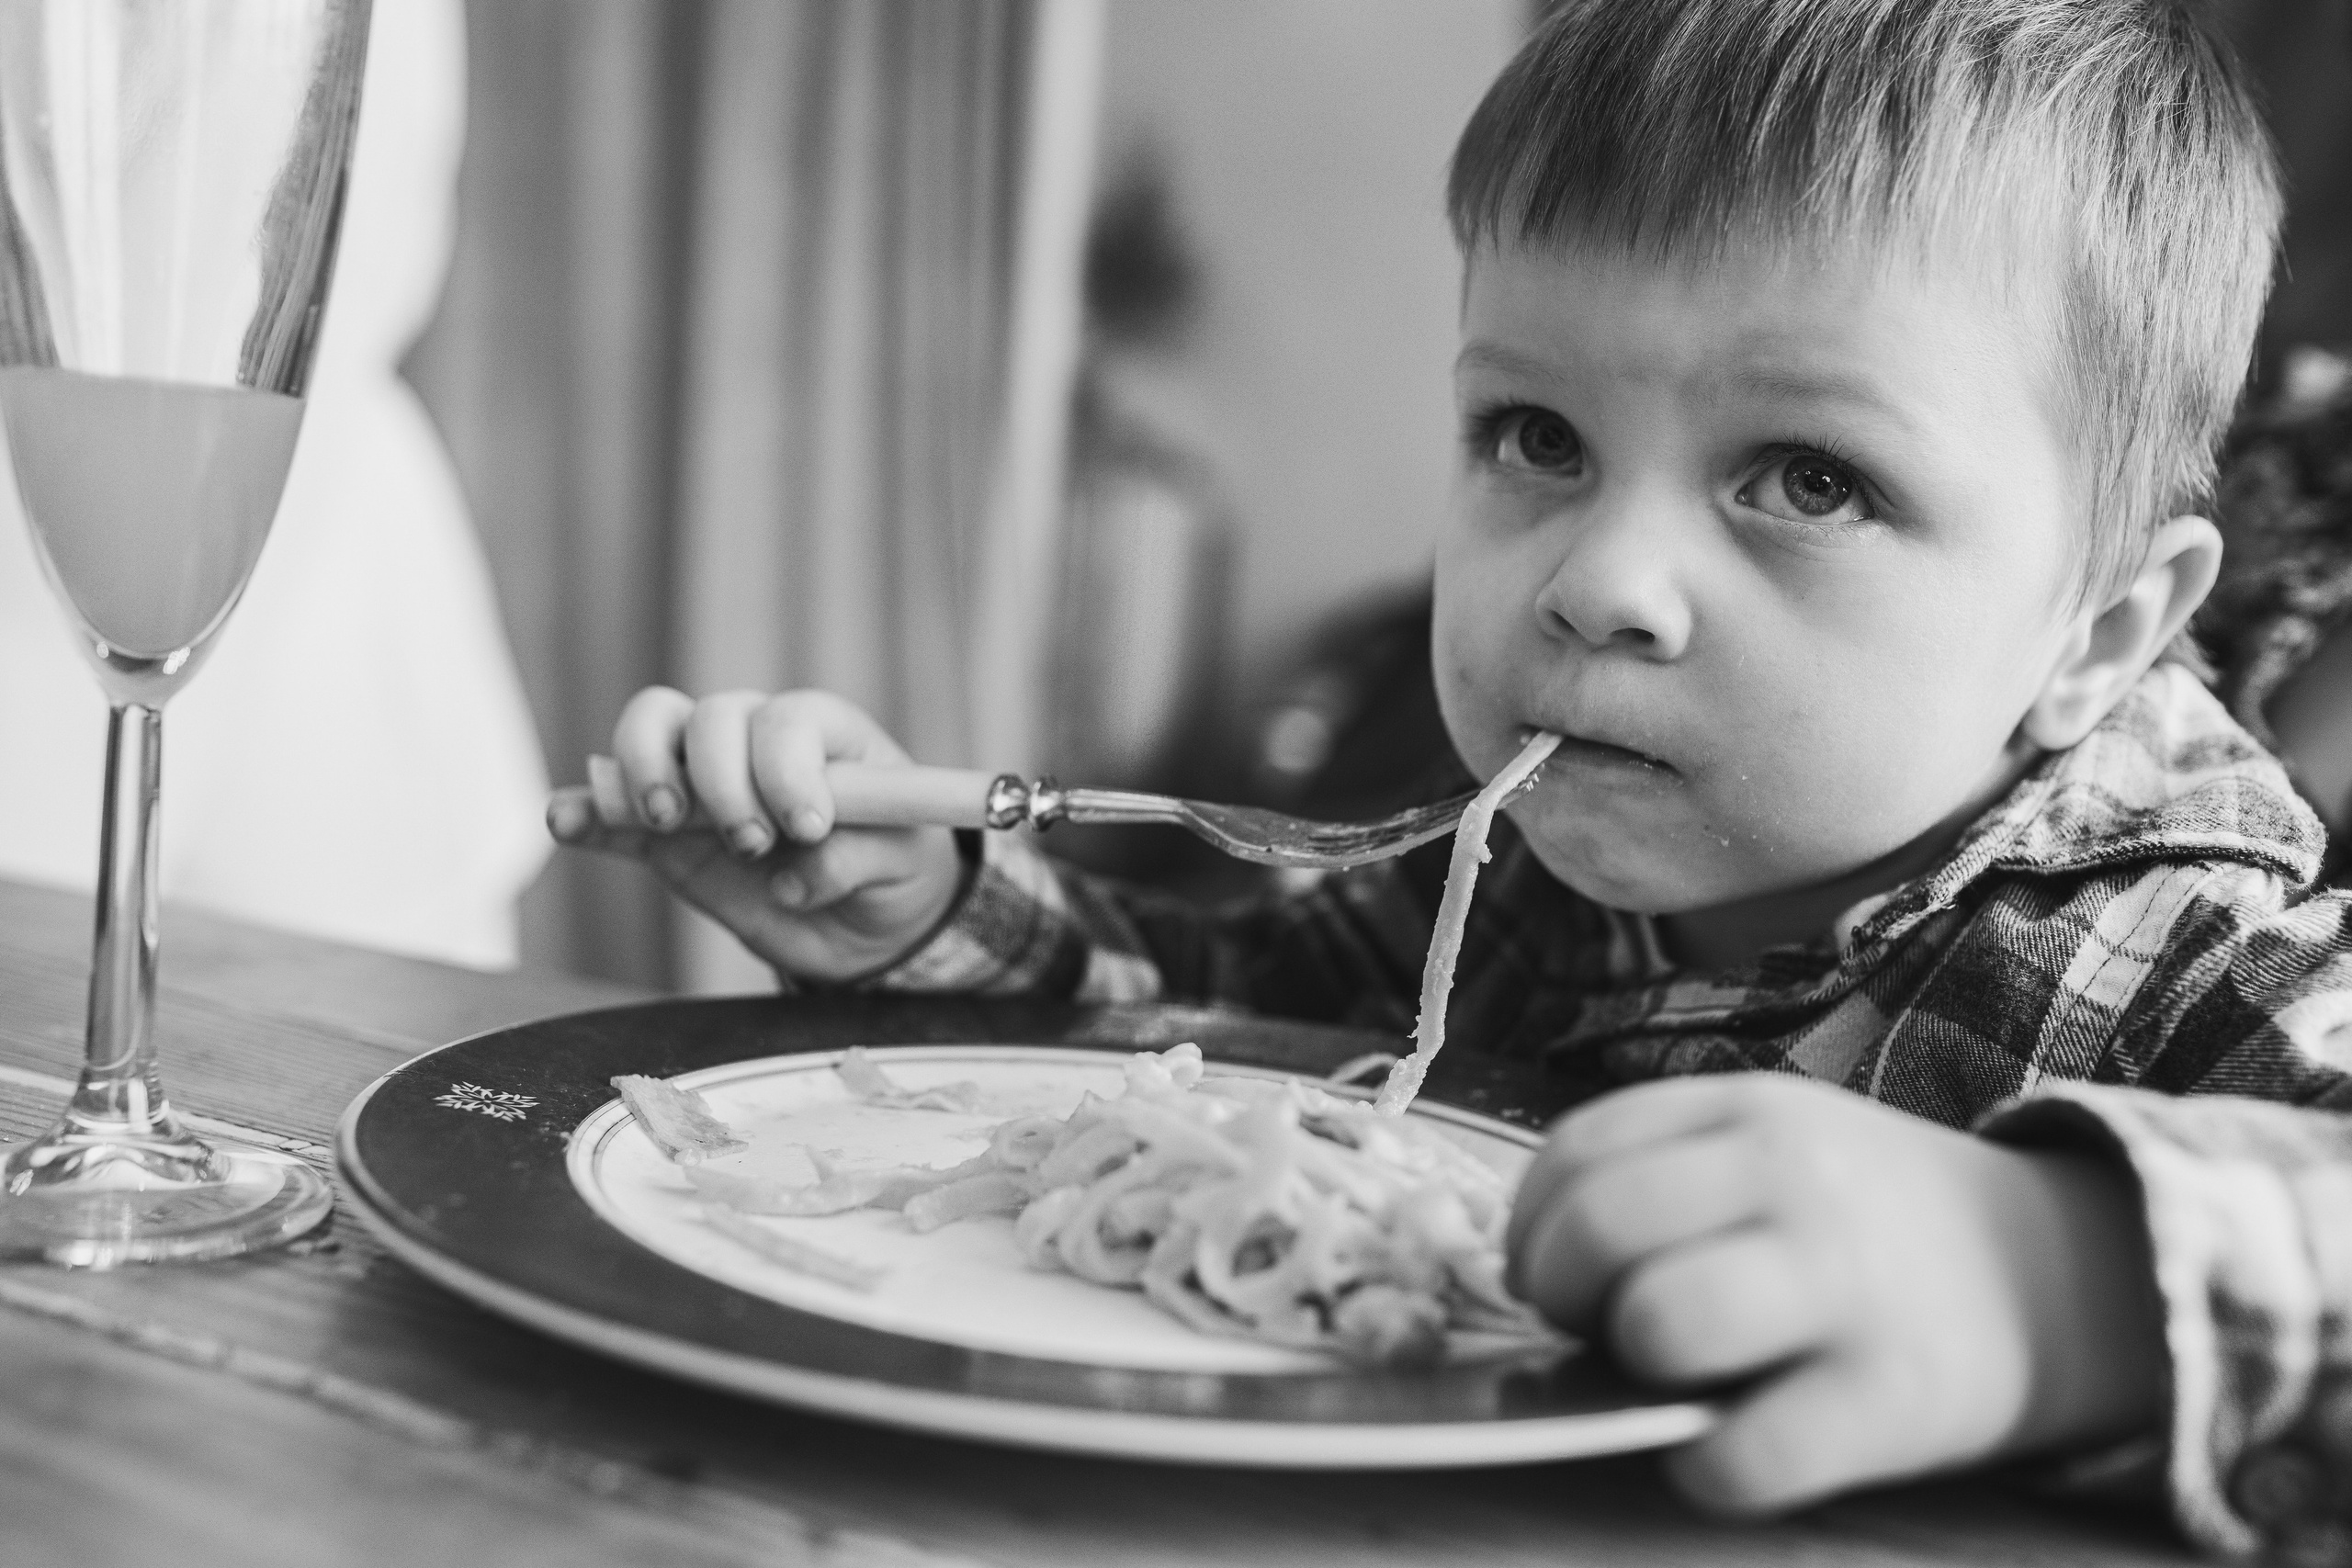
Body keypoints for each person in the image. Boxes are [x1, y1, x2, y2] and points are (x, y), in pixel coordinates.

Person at [548, 1, 2352, 1558]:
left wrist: (2061, 1280)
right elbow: (1208, 1042)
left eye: (1807, 478)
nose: (1597, 582)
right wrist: (932, 917)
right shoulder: (1497, 871)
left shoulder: (2182, 961)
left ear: (2099, 633)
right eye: (1536, 437)